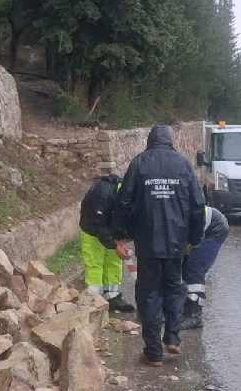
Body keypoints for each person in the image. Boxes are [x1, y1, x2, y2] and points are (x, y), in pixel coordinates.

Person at [112, 125, 206, 365]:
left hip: (148, 241)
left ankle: (153, 352)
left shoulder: (139, 163)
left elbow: (124, 202)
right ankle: (172, 337)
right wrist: (194, 239)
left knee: (149, 293)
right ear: (171, 141)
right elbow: (197, 204)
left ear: (150, 141)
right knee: (174, 287)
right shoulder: (183, 164)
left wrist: (121, 235)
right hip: (177, 241)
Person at [78, 171, 135, 313]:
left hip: (110, 227)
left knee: (114, 262)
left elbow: (127, 218)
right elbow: (99, 225)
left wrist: (122, 239)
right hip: (92, 229)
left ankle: (113, 297)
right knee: (95, 263)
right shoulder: (102, 194)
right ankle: (93, 300)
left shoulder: (128, 195)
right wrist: (115, 245)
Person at [180, 206, 230, 330]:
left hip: (214, 228)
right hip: (199, 227)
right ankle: (183, 310)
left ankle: (194, 316)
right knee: (184, 268)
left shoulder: (171, 219)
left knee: (194, 269)